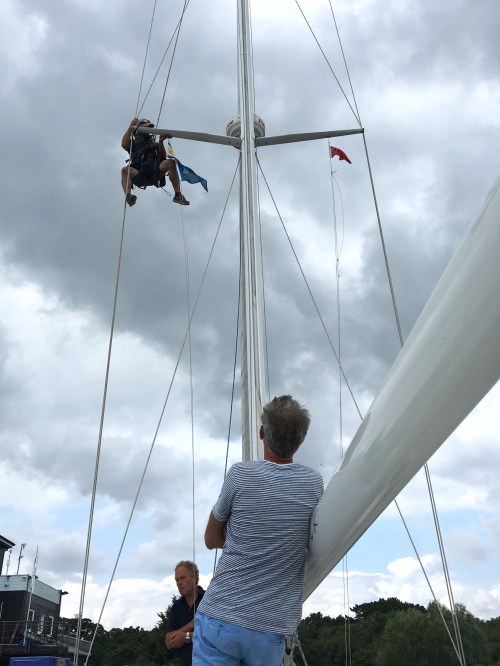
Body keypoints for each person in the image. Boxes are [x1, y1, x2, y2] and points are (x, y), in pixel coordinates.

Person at [192, 395, 324, 666]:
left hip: (221, 616)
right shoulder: (313, 483)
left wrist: (243, 538)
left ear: (262, 432)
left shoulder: (240, 475)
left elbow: (210, 538)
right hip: (271, 629)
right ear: (301, 439)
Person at [121, 117, 189, 207]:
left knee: (171, 163)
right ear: (138, 130)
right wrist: (131, 126)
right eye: (146, 128)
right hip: (140, 173)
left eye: (149, 128)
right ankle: (129, 196)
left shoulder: (153, 143)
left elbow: (162, 156)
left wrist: (161, 142)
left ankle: (177, 195)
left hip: (154, 172)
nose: (148, 130)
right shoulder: (133, 144)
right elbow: (124, 144)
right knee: (125, 170)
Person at [165, 560, 205, 666]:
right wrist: (191, 625)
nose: (179, 583)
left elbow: (218, 635)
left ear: (195, 578)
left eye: (183, 578)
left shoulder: (208, 600)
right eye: (177, 580)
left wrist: (187, 637)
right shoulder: (176, 607)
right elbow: (168, 642)